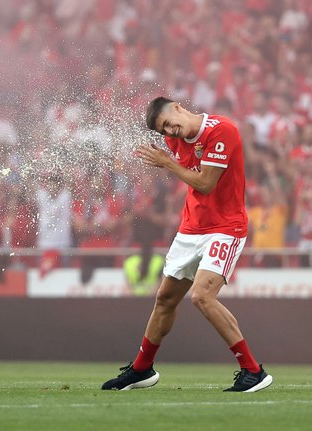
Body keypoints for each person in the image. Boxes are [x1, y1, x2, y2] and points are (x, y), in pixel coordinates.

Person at [101, 97, 273, 393]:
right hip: (191, 228)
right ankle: (142, 369)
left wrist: (168, 164)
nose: (170, 130)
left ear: (178, 107)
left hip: (225, 227)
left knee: (202, 296)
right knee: (165, 299)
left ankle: (253, 370)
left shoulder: (222, 130)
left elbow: (206, 183)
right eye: (163, 130)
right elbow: (192, 181)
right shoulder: (175, 140)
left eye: (168, 122)